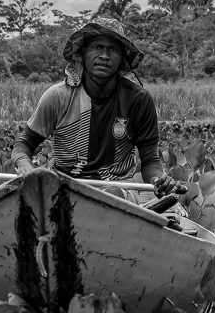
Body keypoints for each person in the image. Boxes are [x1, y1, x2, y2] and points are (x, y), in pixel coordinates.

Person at [11, 16, 178, 198]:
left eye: (112, 49)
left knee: (114, 195)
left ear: (122, 59)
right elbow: (24, 144)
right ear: (82, 54)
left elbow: (150, 160)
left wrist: (157, 180)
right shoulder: (58, 96)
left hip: (118, 191)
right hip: (64, 187)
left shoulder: (138, 99)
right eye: (97, 47)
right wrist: (24, 165)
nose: (104, 56)